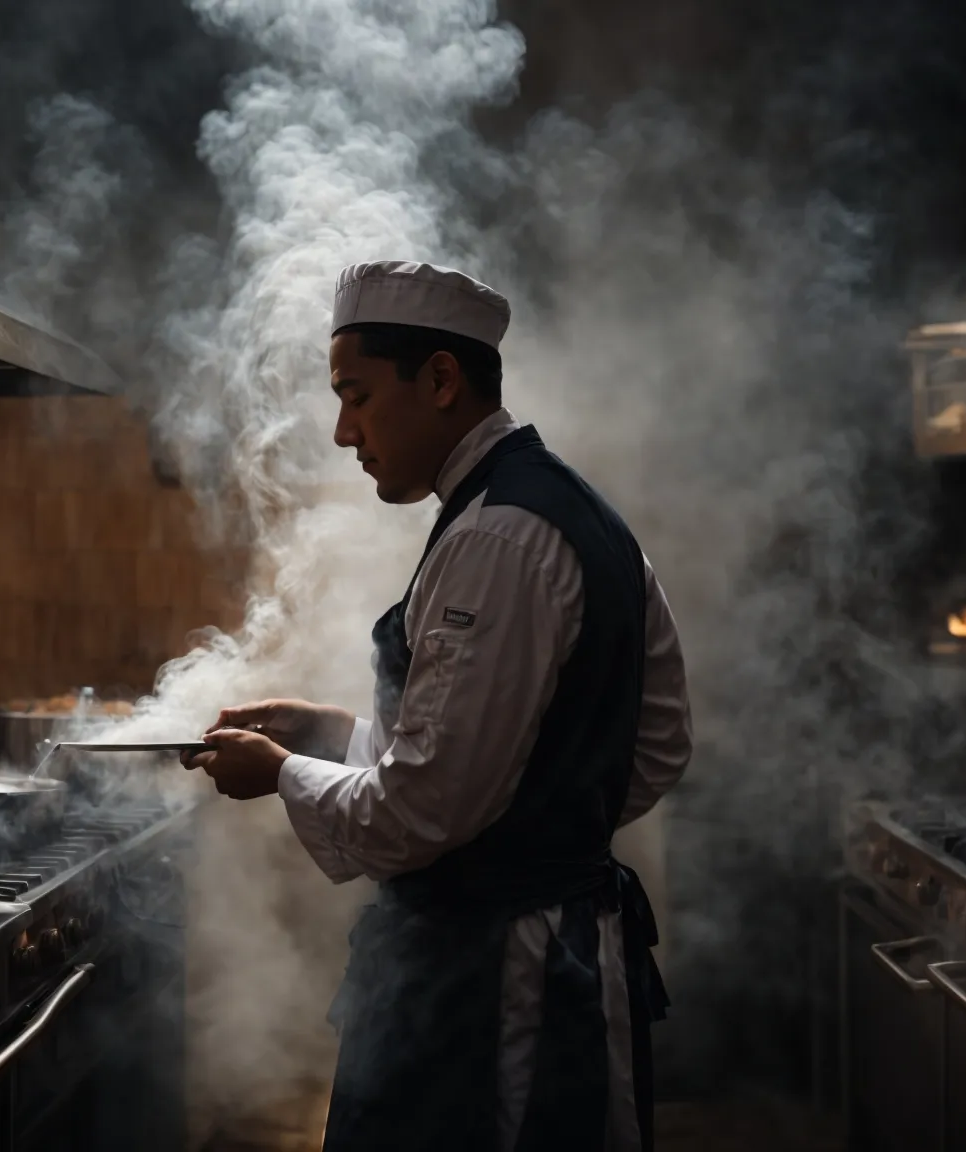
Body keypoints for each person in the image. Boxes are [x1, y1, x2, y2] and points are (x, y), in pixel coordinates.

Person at [182, 260, 693, 1152]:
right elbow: (644, 748)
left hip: (496, 985)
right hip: (558, 954)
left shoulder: (495, 537)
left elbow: (421, 808)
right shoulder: (570, 510)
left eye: (358, 396)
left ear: (443, 380)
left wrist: (284, 775)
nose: (345, 431)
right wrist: (339, 736)